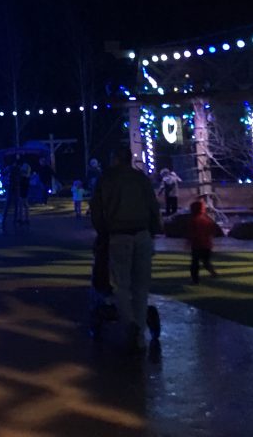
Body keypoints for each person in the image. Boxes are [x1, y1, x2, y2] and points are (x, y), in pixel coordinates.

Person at [89, 147, 162, 354]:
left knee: (120, 284)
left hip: (118, 234)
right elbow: (152, 205)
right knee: (140, 286)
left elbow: (96, 208)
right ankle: (139, 334)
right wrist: (154, 229)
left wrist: (102, 231)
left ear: (115, 158)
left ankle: (129, 323)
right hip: (141, 233)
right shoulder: (140, 179)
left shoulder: (107, 179)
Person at [187, 200, 218, 284]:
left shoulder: (194, 220)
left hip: (197, 245)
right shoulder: (207, 219)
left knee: (195, 263)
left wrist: (189, 241)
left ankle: (195, 280)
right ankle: (213, 273)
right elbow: (213, 231)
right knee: (206, 262)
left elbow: (192, 233)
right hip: (207, 245)